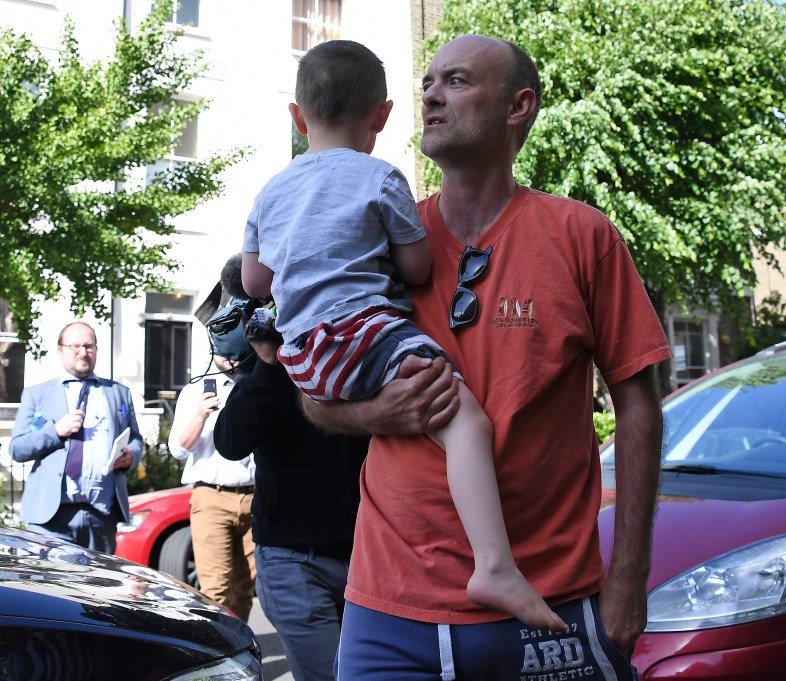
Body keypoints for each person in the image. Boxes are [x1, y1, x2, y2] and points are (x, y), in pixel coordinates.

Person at [306, 35, 673, 680]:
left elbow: (638, 404)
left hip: (550, 603)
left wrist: (628, 579)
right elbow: (313, 390)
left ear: (517, 106)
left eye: (456, 80)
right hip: (389, 608)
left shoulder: (581, 236)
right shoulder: (377, 236)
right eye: (427, 83)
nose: (430, 95)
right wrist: (375, 413)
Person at [241, 39, 564, 632]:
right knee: (466, 421)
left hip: (305, 354)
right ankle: (494, 563)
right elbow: (417, 270)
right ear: (382, 117)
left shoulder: (271, 190)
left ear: (296, 115)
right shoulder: (379, 177)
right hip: (359, 331)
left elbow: (255, 278)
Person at [213, 337, 369, 681]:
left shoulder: (360, 346)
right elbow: (230, 441)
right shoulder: (268, 367)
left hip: (365, 556)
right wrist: (268, 365)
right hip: (294, 559)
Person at [10, 321, 143, 554]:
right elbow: (17, 449)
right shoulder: (37, 394)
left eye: (89, 346)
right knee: (47, 587)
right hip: (50, 519)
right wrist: (55, 432)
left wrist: (132, 455)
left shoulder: (118, 393)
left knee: (98, 588)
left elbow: (136, 439)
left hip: (100, 515)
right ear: (60, 350)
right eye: (75, 346)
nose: (83, 353)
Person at [167, 352, 257, 622]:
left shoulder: (256, 384)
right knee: (215, 590)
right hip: (212, 498)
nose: (231, 358)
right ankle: (219, 652)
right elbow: (178, 450)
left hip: (254, 496)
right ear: (212, 351)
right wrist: (200, 415)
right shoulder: (196, 390)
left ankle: (237, 647)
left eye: (235, 351)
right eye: (223, 352)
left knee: (245, 589)